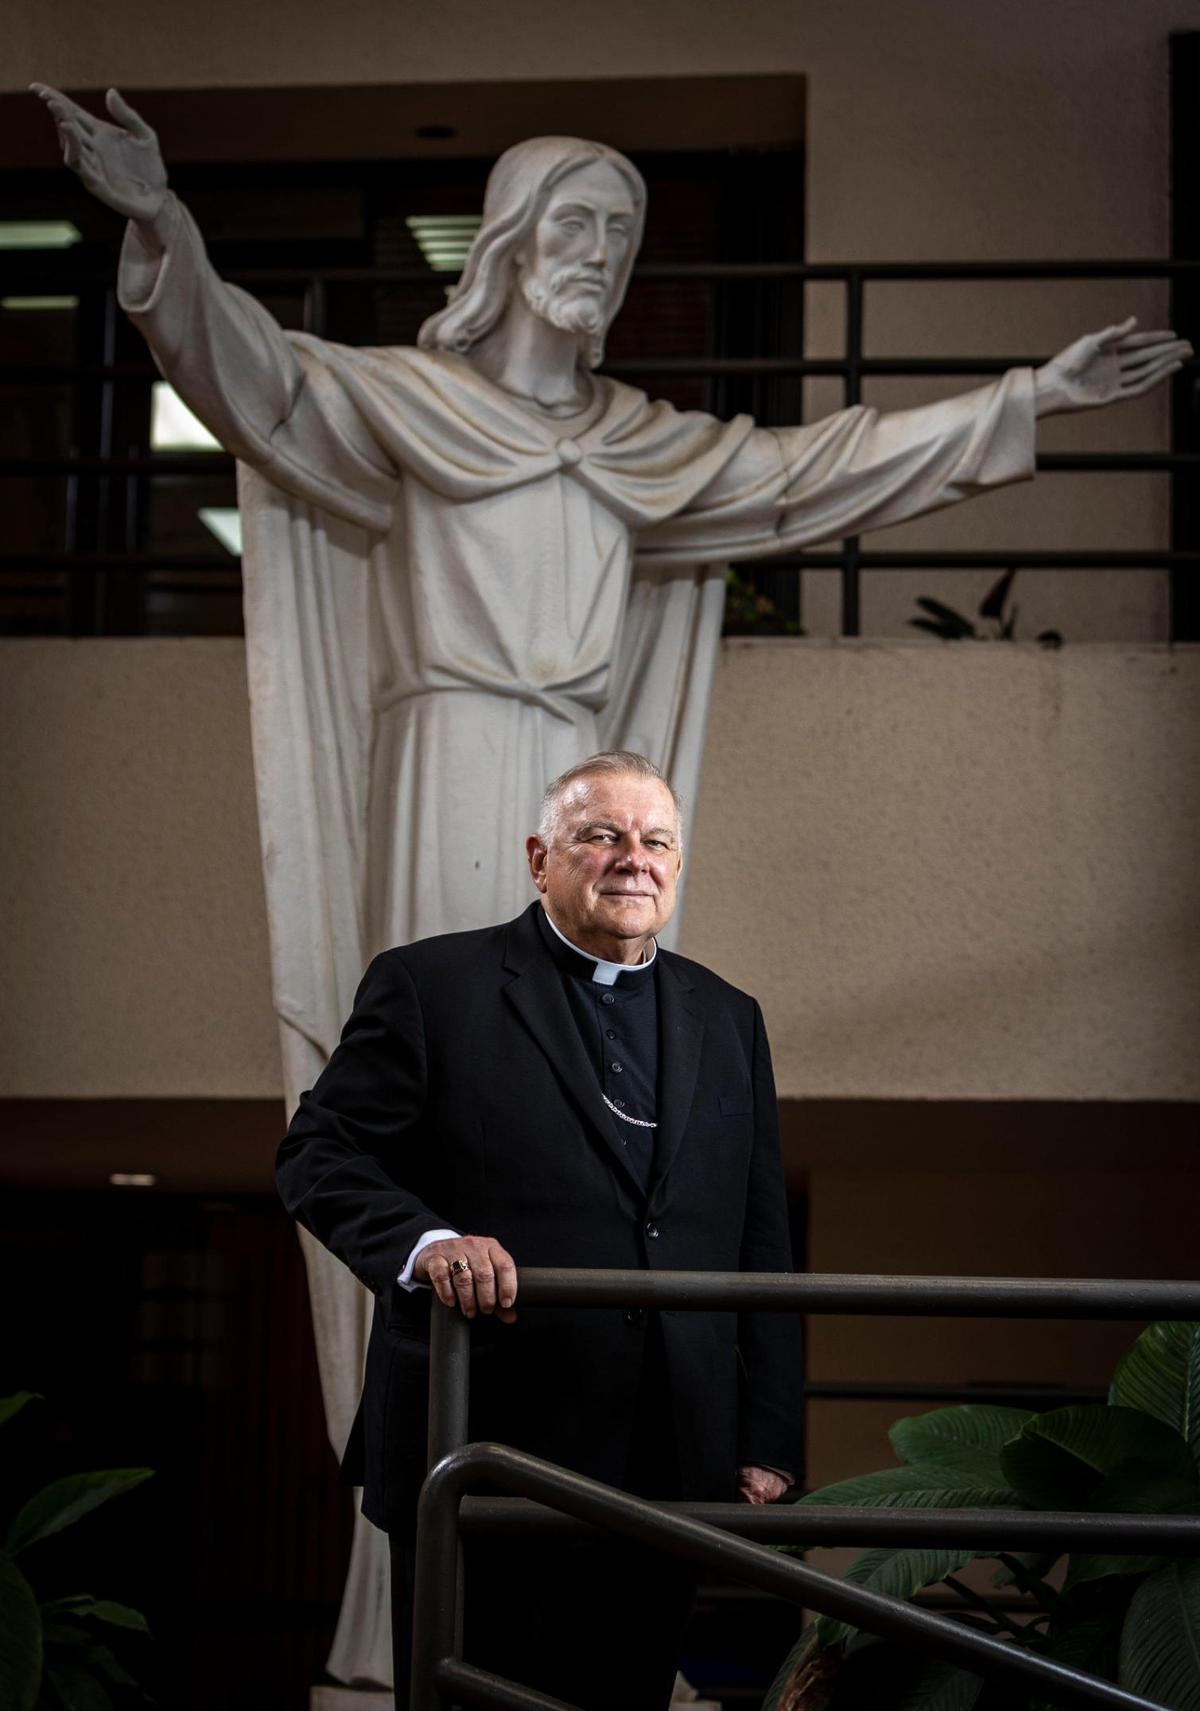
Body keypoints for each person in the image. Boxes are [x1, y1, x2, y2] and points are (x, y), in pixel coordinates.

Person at [31, 85, 1193, 1685]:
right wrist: (157, 218)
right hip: (451, 750)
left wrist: (1031, 395)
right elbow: (249, 370)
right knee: (463, 1067)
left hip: (588, 751)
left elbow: (819, 467)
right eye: (570, 224)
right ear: (506, 246)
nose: (596, 256)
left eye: (622, 235)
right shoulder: (409, 406)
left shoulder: (639, 448)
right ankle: (406, 1581)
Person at [275, 750, 805, 1708]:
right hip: (484, 1437)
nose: (631, 859)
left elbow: (758, 1233)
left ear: (677, 867)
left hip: (666, 1450)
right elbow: (318, 1153)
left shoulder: (730, 1017)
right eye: (600, 835)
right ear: (540, 857)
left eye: (655, 842)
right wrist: (430, 1243)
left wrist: (765, 1429)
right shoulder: (430, 985)